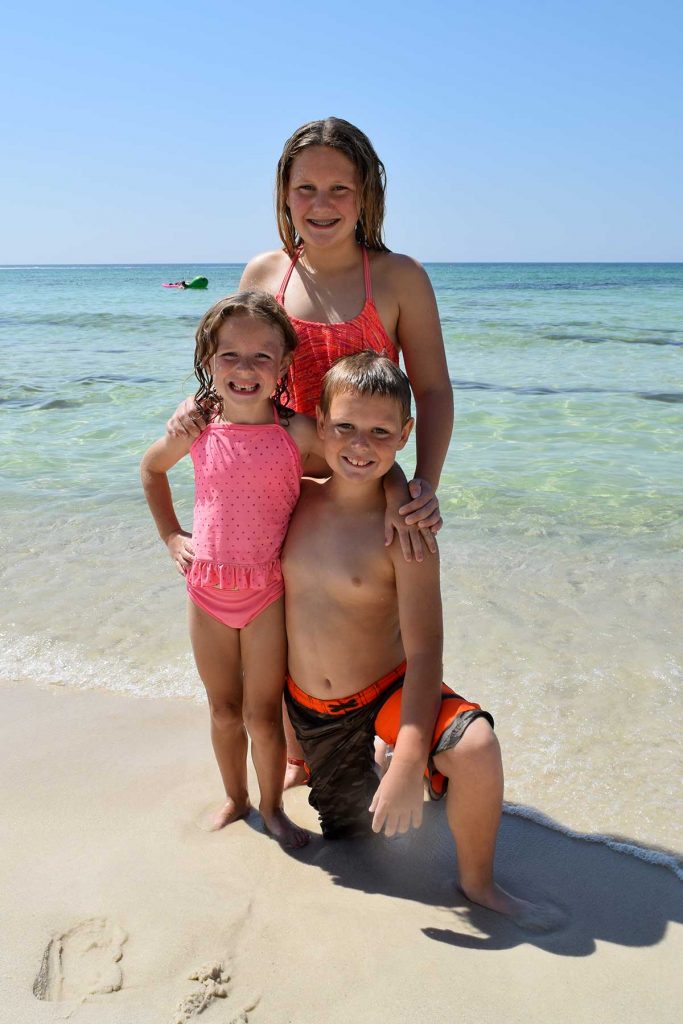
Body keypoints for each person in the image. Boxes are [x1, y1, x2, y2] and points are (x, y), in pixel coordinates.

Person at [167, 117, 453, 784]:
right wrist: (196, 409)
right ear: (282, 194)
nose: (319, 206)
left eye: (338, 190)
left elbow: (433, 389)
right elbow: (240, 366)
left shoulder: (400, 277)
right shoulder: (265, 271)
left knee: (377, 612)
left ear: (366, 196)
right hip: (282, 479)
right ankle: (299, 752)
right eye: (304, 189)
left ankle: (403, 737)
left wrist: (422, 486)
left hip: (367, 482)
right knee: (286, 617)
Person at [282, 352, 557, 928]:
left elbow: (427, 648)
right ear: (319, 423)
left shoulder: (406, 528)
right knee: (353, 839)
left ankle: (478, 881)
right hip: (313, 714)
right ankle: (332, 762)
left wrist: (410, 759)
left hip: (388, 692)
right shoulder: (292, 497)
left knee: (477, 747)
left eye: (381, 432)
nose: (361, 444)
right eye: (346, 427)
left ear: (405, 435)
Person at [140, 292, 328, 849]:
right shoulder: (195, 427)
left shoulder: (297, 431)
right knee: (224, 711)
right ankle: (236, 798)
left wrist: (399, 495)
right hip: (206, 593)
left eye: (262, 357)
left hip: (268, 593)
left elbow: (349, 468)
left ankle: (273, 809)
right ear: (208, 359)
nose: (245, 369)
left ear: (285, 366)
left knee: (263, 715)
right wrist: (172, 536)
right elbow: (151, 470)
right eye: (230, 356)